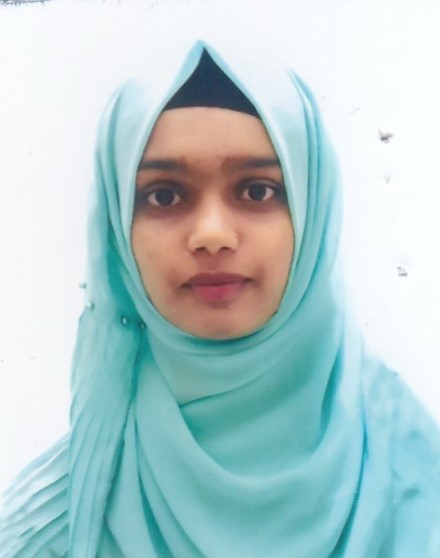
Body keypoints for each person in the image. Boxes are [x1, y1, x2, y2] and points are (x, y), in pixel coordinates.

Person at [1, 38, 440, 558]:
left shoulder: (416, 479)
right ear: (118, 231)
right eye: (164, 195)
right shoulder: (54, 530)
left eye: (258, 190)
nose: (212, 234)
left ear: (314, 212)